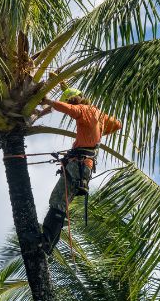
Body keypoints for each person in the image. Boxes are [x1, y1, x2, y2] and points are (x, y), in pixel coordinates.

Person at [40, 88, 122, 255]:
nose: (70, 105)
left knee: (57, 201)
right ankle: (47, 243)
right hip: (82, 165)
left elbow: (70, 109)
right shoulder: (99, 115)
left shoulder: (85, 110)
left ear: (76, 100)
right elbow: (117, 124)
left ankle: (46, 242)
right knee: (60, 202)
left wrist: (47, 101)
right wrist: (100, 128)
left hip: (78, 164)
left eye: (71, 101)